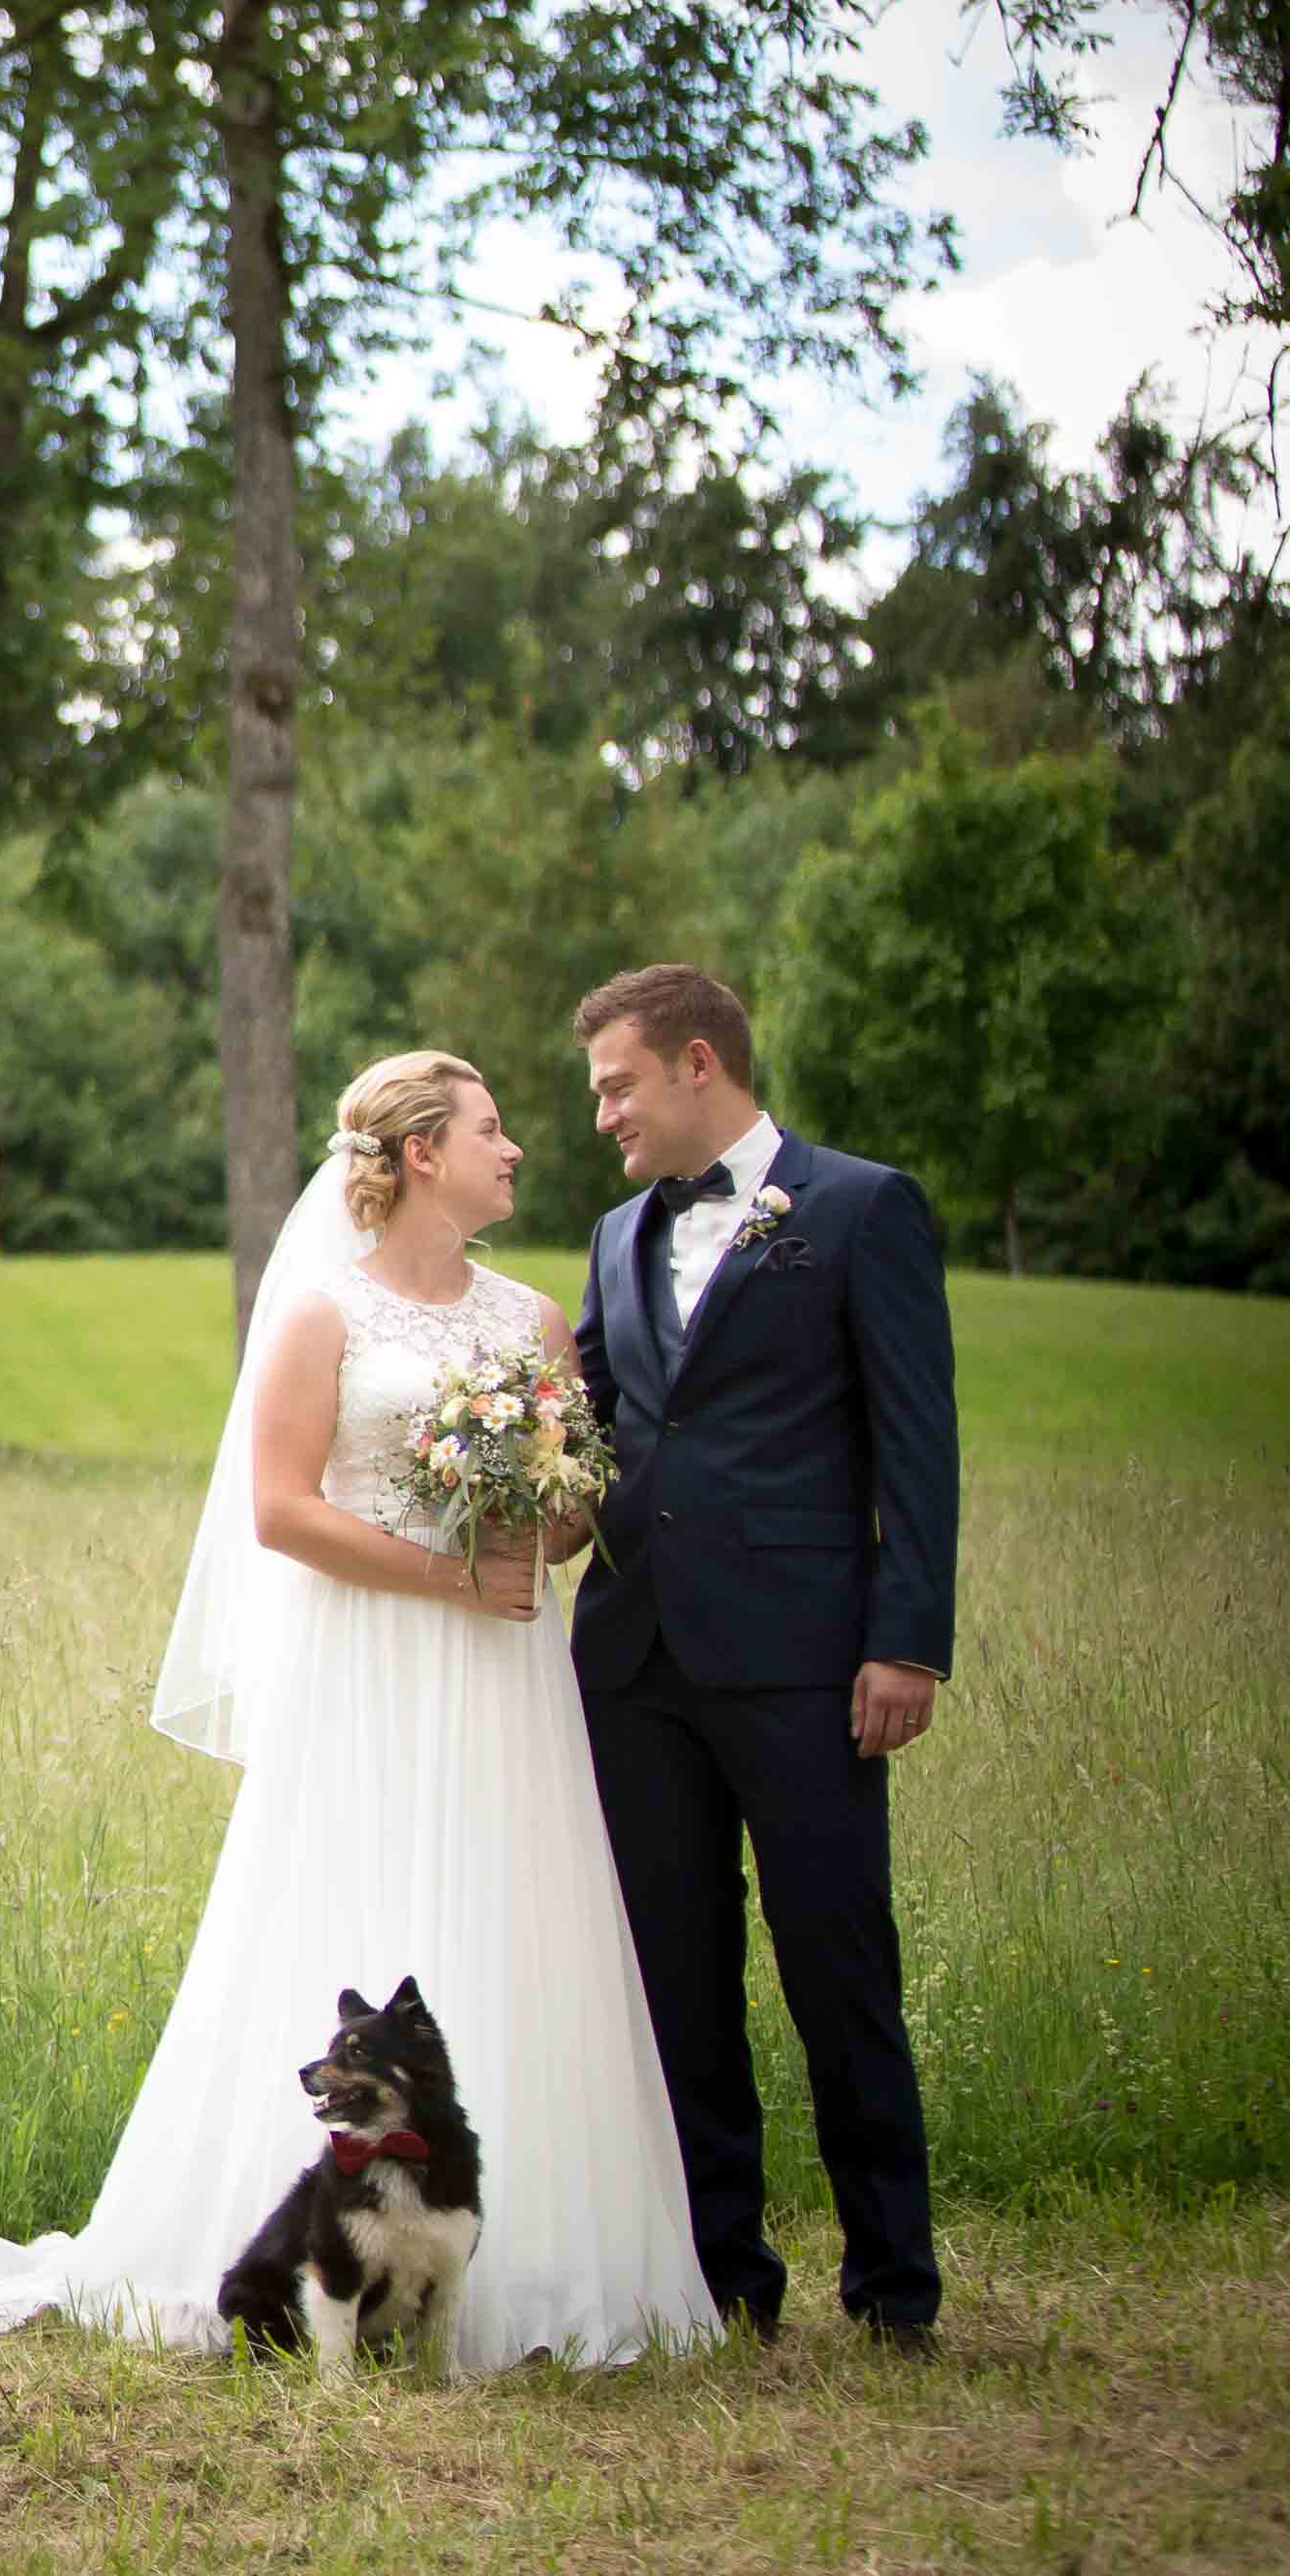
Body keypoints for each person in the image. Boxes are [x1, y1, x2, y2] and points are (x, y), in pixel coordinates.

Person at [0, 1049, 719, 2369]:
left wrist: (533, 1522)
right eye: (493, 1130)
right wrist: (448, 1571)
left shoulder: (536, 1320)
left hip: (503, 1676)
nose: (517, 1151)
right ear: (423, 1150)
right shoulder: (323, 1315)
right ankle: (325, 2255)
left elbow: (566, 1518)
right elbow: (281, 1511)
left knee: (514, 1907)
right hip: (368, 1661)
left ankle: (527, 2255)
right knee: (351, 1893)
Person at [568, 964, 957, 2351]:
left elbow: (917, 1445)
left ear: (693, 1064)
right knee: (676, 1975)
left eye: (616, 1084)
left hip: (806, 1662)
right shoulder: (615, 1235)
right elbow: (591, 1426)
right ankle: (726, 2276)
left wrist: (906, 1639)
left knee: (837, 1965)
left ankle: (893, 2284)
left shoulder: (858, 1207)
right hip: (632, 1666)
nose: (603, 1113)